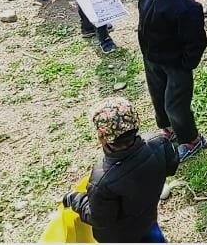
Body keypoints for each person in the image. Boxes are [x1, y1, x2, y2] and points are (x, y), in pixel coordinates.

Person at [63, 98, 178, 243]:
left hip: (120, 236)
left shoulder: (102, 180)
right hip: (147, 218)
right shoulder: (159, 143)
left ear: (102, 137)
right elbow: (171, 166)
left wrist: (75, 199)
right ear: (136, 122)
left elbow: (100, 219)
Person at [134, 0, 207, 161]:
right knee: (157, 95)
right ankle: (168, 128)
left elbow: (196, 41)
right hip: (152, 58)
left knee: (175, 104)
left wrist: (185, 64)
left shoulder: (184, 6)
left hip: (175, 65)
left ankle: (192, 139)